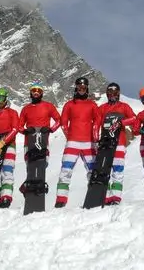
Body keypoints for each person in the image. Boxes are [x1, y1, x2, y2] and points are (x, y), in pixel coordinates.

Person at [55, 77, 100, 208]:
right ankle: (61, 200)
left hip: (89, 143)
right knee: (65, 171)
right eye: (79, 88)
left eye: (84, 88)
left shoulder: (92, 104)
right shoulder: (69, 104)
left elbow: (97, 120)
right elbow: (63, 122)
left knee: (93, 171)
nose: (81, 90)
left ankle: (95, 198)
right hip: (72, 143)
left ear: (87, 88)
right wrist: (70, 136)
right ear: (76, 88)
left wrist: (95, 136)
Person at [95, 82, 136, 205]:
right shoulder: (102, 108)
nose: (112, 95)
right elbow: (96, 125)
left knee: (118, 171)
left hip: (119, 143)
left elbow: (134, 118)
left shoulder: (124, 107)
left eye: (115, 93)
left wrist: (122, 122)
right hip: (104, 143)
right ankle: (105, 196)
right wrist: (97, 139)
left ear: (118, 94)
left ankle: (116, 197)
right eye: (110, 93)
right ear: (107, 94)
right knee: (103, 170)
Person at [18, 81, 60, 179]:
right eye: (33, 91)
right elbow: (19, 125)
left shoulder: (48, 106)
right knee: (30, 166)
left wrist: (50, 129)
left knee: (43, 165)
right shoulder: (26, 109)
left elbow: (59, 120)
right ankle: (30, 185)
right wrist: (25, 131)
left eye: (39, 91)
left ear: (42, 93)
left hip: (43, 141)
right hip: (29, 142)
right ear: (30, 93)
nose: (36, 93)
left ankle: (40, 184)